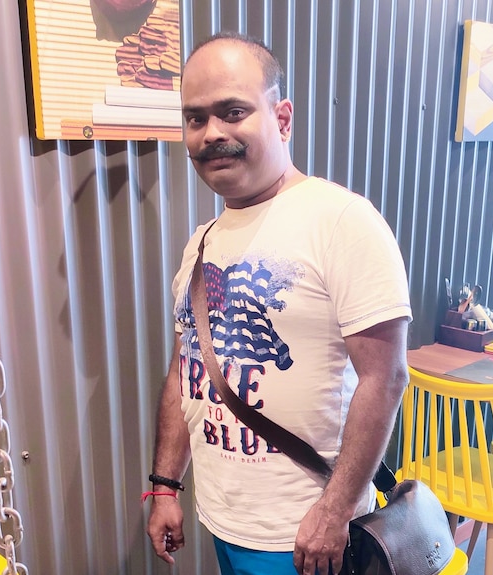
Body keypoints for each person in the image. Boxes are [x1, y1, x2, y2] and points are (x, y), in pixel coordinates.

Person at [145, 31, 411, 575]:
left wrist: (334, 513)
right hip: (221, 519)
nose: (212, 133)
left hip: (305, 537)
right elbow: (185, 370)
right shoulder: (201, 243)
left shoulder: (342, 221)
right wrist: (165, 485)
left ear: (282, 118)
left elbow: (384, 379)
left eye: (233, 111)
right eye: (196, 119)